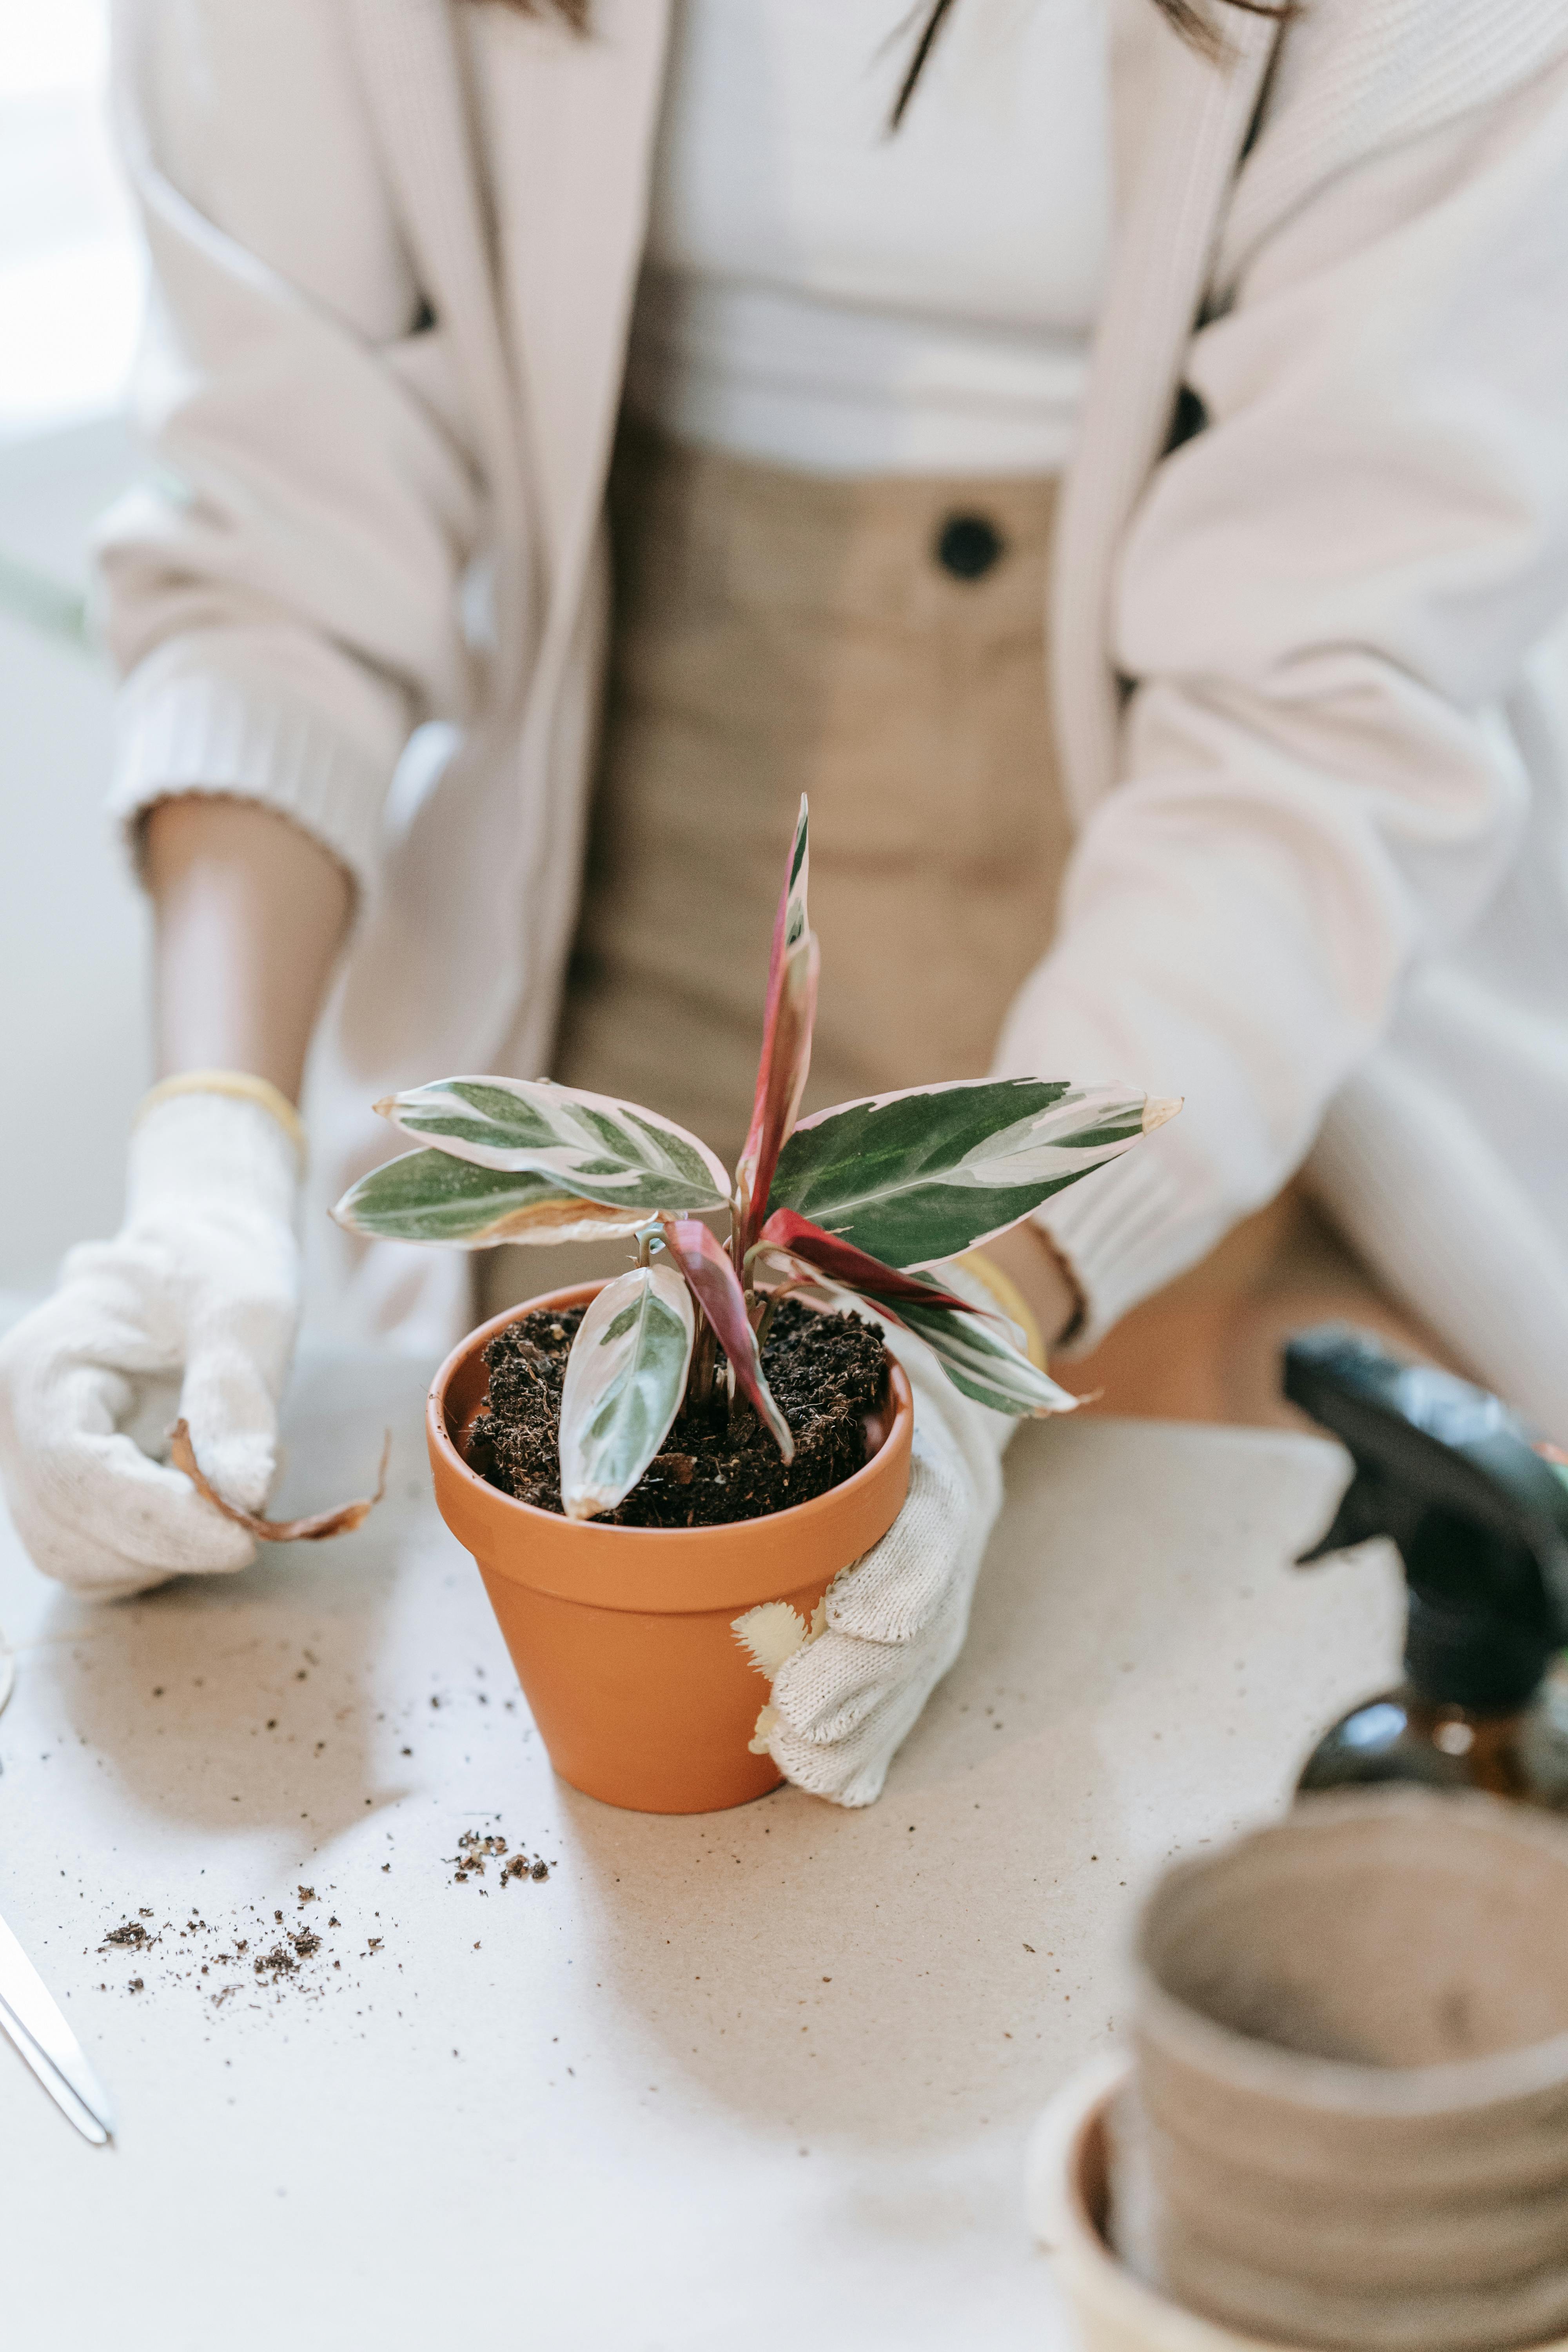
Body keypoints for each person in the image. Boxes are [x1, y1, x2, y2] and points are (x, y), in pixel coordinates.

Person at [4, 0, 1568, 1805]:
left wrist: (985, 1307)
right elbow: (274, 534)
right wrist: (208, 1158)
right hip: (620, 865)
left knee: (1254, 1754)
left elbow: (1317, 712)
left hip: (1233, 986)